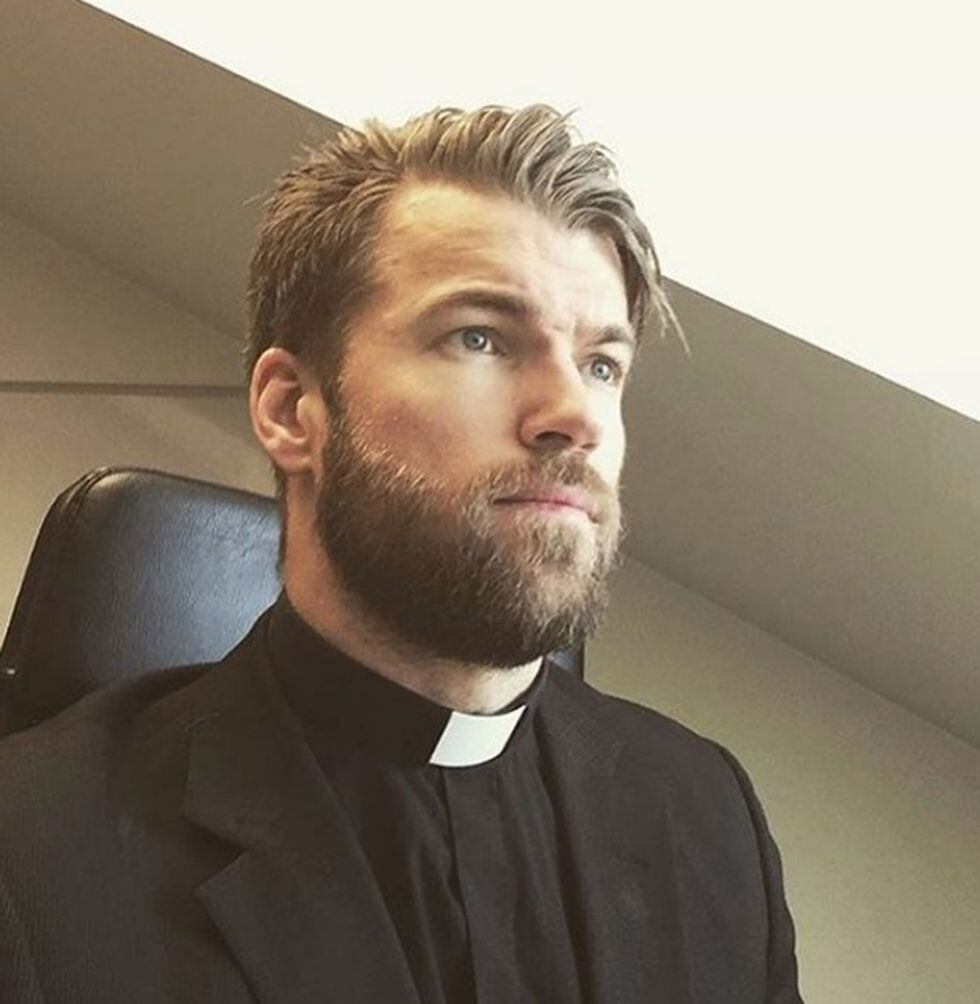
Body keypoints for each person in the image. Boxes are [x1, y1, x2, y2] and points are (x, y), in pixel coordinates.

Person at [0, 105, 802, 1002]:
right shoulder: (32, 860)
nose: (574, 414)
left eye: (602, 364)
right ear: (291, 410)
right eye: (480, 338)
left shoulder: (706, 814)